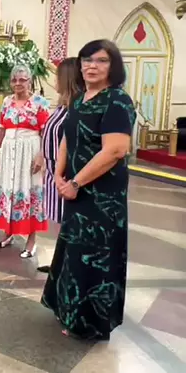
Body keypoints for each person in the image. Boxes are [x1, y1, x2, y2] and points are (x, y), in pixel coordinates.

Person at [42, 40, 135, 340]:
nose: (92, 66)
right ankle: (68, 309)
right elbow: (68, 137)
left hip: (103, 195)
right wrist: (59, 175)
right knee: (74, 250)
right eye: (87, 60)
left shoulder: (117, 101)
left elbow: (115, 150)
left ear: (113, 66)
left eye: (101, 60)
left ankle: (89, 322)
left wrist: (76, 182)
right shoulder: (81, 99)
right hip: (76, 189)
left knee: (94, 255)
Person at [0, 65, 49, 258]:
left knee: (29, 189)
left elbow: (46, 132)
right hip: (9, 150)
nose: (18, 83)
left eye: (22, 80)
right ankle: (7, 233)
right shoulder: (7, 101)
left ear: (30, 81)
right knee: (9, 189)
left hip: (29, 150)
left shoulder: (39, 102)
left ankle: (31, 240)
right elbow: (1, 127)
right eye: (14, 80)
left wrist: (41, 155)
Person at [37, 57, 80, 273]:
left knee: (67, 219)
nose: (55, 80)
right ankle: (59, 260)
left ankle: (68, 264)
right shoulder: (62, 106)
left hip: (65, 172)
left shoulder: (77, 108)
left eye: (57, 76)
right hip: (52, 169)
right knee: (57, 220)